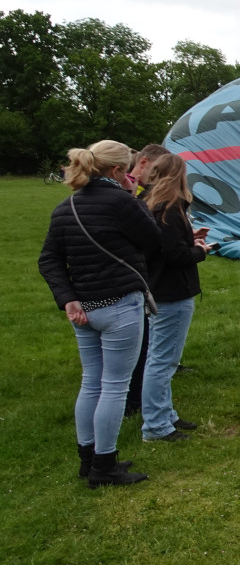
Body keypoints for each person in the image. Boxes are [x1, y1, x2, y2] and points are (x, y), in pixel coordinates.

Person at [38, 140, 161, 487]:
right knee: (115, 386)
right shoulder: (123, 202)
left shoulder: (65, 207)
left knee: (91, 381)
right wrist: (133, 198)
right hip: (119, 304)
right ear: (118, 170)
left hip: (84, 308)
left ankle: (88, 458)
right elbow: (153, 240)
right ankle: (104, 465)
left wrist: (67, 299)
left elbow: (49, 259)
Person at [139, 154, 210, 441]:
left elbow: (162, 247)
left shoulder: (149, 206)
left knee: (160, 358)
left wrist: (189, 238)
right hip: (172, 291)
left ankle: (165, 414)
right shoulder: (170, 210)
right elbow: (174, 255)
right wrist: (199, 251)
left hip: (158, 289)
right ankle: (156, 425)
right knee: (163, 361)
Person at [123, 142, 170, 417]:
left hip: (139, 275)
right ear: (144, 163)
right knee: (138, 343)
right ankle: (133, 398)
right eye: (157, 169)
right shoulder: (130, 195)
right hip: (133, 278)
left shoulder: (138, 192)